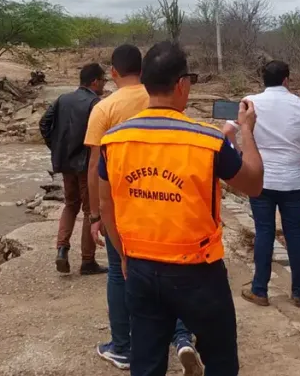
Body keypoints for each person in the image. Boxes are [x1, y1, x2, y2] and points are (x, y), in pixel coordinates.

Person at [98, 41, 265, 376]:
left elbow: (106, 205)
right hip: (199, 272)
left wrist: (125, 256)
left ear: (146, 81)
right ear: (182, 84)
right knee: (219, 360)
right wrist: (246, 130)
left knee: (146, 363)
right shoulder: (207, 140)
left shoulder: (114, 140)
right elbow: (254, 183)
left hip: (142, 269)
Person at [84, 44, 200, 372]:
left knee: (121, 277)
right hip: (165, 197)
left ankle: (122, 346)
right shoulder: (162, 97)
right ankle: (181, 337)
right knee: (170, 270)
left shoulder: (105, 108)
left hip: (122, 208)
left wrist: (95, 216)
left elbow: (95, 167)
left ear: (113, 72)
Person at [230, 60, 300, 308]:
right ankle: (299, 293)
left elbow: (227, 131)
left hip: (262, 180)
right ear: (287, 80)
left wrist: (242, 158)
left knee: (264, 232)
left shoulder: (250, 102)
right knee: (295, 234)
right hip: (293, 181)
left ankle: (260, 290)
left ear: (262, 80)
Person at [39, 62, 109, 275]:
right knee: (89, 211)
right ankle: (87, 261)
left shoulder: (62, 99)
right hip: (87, 164)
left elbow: (44, 124)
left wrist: (56, 147)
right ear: (95, 81)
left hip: (65, 163)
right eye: (103, 81)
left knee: (70, 205)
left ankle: (62, 249)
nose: (105, 85)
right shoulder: (95, 103)